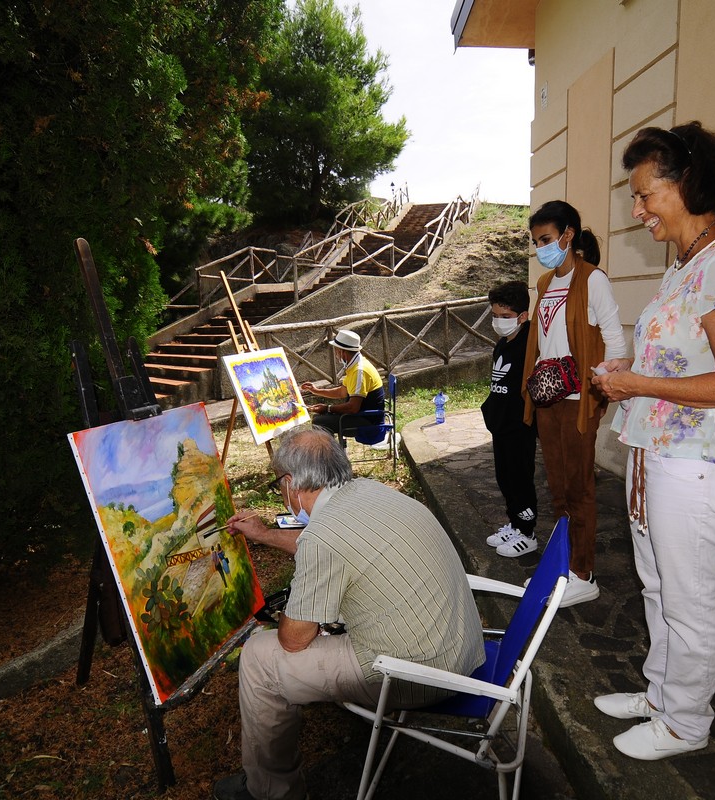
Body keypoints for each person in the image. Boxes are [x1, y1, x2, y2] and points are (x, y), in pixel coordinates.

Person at [591, 121, 715, 761]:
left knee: (691, 599)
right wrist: (631, 380)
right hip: (658, 454)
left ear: (687, 183)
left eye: (644, 195)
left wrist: (635, 380)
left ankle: (685, 722)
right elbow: (674, 365)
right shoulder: (687, 264)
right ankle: (661, 694)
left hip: (696, 463)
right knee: (659, 586)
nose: (637, 210)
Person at [214, 426, 486, 800]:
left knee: (261, 657)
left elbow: (293, 641)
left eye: (279, 483)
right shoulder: (368, 492)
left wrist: (293, 616)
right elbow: (328, 543)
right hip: (461, 646)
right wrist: (264, 534)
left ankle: (270, 791)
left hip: (421, 674)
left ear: (292, 484)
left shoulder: (324, 538)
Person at [516, 201, 627, 607]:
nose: (541, 247)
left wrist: (603, 385)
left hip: (579, 397)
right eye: (536, 242)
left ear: (568, 236)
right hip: (549, 395)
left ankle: (584, 571)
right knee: (559, 486)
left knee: (580, 487)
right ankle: (560, 566)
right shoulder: (545, 283)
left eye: (546, 239)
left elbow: (615, 339)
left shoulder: (593, 280)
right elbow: (541, 341)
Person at [480, 280, 539, 555]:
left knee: (520, 478)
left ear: (523, 316)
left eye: (505, 317)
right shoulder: (503, 344)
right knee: (505, 477)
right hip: (501, 424)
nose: (499, 322)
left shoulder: (530, 344)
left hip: (519, 425)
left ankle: (528, 533)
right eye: (495, 316)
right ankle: (515, 523)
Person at [301, 329, 385, 438]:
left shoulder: (359, 371)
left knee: (320, 422)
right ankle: (330, 451)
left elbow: (353, 408)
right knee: (319, 418)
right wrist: (316, 391)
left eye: (336, 350)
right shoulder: (355, 365)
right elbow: (342, 392)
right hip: (362, 415)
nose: (336, 354)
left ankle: (329, 453)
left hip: (368, 421)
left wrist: (328, 408)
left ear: (342, 352)